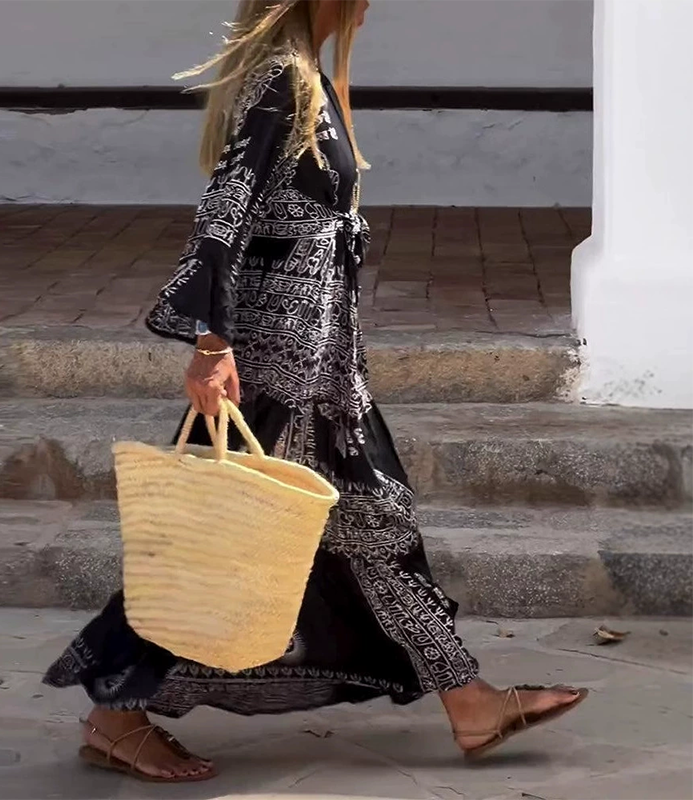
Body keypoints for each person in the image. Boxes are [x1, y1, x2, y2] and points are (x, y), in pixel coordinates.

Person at [44, 0, 588, 782]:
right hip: (278, 367)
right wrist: (210, 343)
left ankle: (470, 701)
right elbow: (224, 211)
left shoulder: (305, 79)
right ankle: (116, 715)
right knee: (217, 544)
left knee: (372, 528)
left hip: (324, 367)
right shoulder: (283, 81)